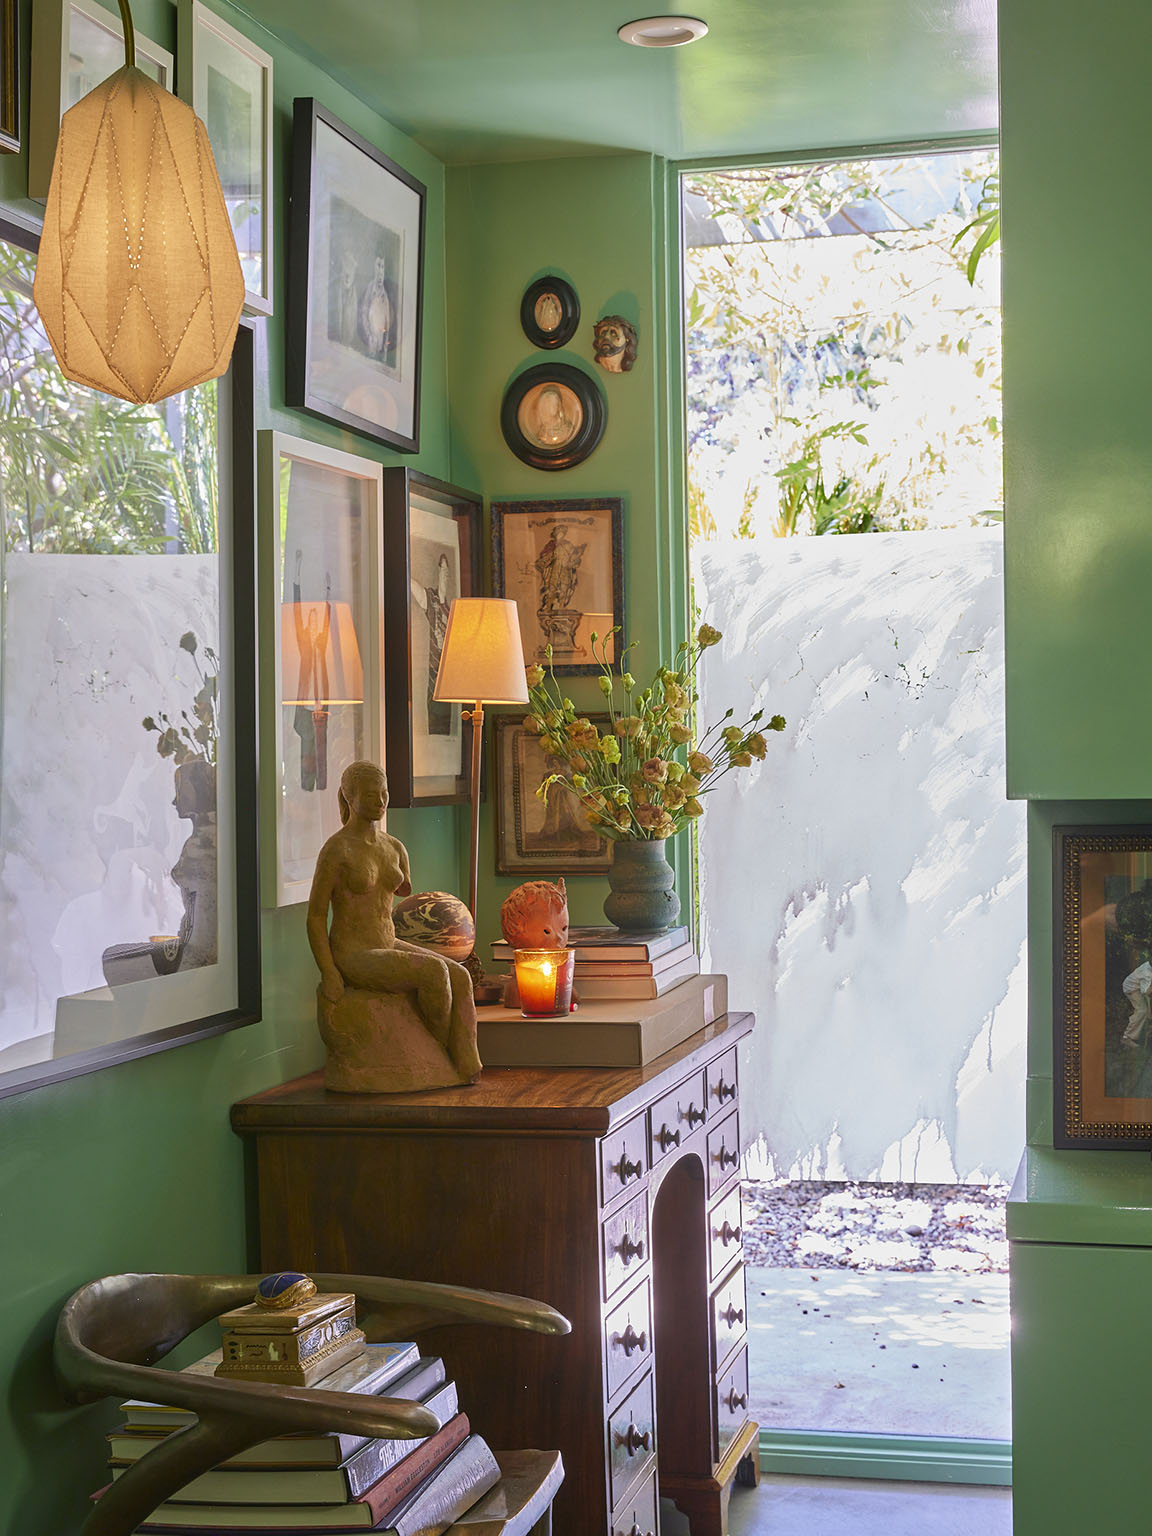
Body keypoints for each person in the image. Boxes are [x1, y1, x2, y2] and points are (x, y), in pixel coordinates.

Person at [306, 761, 480, 1082]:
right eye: (371, 795)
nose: (381, 801)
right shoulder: (338, 850)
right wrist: (329, 971)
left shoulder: (394, 846)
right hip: (355, 954)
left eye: (384, 793)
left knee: (460, 976)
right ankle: (437, 1051)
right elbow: (316, 917)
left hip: (387, 944)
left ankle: (466, 1062)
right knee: (433, 973)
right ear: (349, 796)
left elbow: (403, 888)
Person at [292, 550, 331, 792]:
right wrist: (296, 573)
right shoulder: (304, 643)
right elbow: (296, 611)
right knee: (307, 745)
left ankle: (323, 785)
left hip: (322, 705)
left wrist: (328, 591)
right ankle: (307, 786)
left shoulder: (321, 643)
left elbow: (329, 617)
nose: (315, 624)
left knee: (321, 745)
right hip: (306, 703)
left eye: (318, 621)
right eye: (312, 621)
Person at [534, 524, 586, 612]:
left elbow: (574, 555)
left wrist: (575, 559)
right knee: (552, 588)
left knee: (564, 588)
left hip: (565, 569)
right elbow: (545, 556)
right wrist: (547, 559)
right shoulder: (551, 545)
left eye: (562, 533)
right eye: (559, 533)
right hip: (554, 569)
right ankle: (548, 606)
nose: (561, 535)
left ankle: (562, 606)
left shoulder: (568, 545)